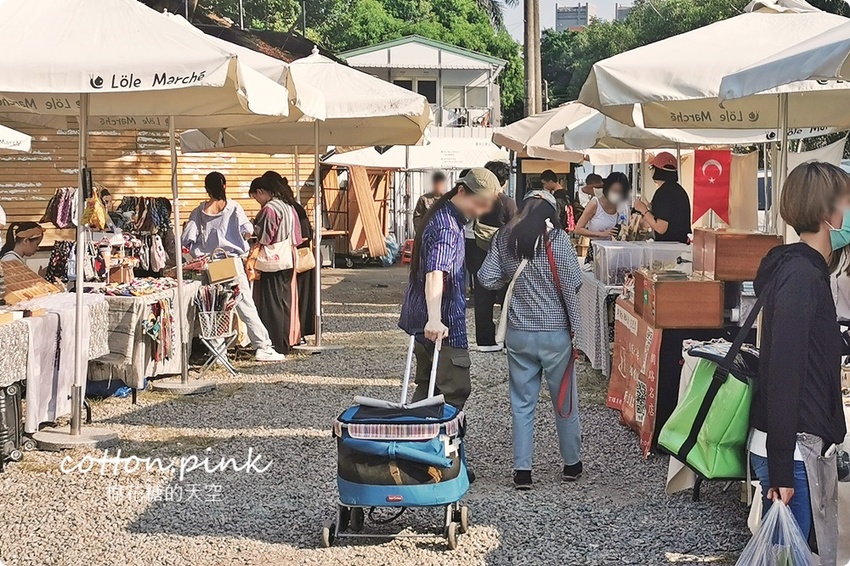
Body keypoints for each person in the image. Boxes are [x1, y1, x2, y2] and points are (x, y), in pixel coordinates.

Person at [750, 161, 848, 564]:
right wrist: (781, 470)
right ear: (828, 213)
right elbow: (784, 372)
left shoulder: (805, 270)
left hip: (797, 446)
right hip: (792, 451)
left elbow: (809, 349)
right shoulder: (801, 275)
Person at [478, 191, 583, 490]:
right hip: (555, 334)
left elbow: (486, 278)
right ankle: (571, 464)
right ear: (551, 212)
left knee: (522, 404)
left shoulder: (504, 237)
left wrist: (511, 279)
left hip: (519, 334)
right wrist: (576, 330)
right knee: (564, 400)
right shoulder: (557, 239)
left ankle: (522, 471)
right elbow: (574, 283)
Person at [398, 168, 500, 411]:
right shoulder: (447, 226)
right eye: (479, 203)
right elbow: (435, 272)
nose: (481, 211)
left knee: (428, 388)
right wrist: (435, 319)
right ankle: (436, 434)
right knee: (455, 390)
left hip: (422, 318)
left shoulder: (441, 215)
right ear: (461, 191)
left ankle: (416, 431)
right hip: (442, 324)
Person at [182, 171, 285, 363]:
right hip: (230, 262)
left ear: (206, 189)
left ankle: (217, 351)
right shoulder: (233, 207)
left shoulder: (198, 212)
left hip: (208, 264)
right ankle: (262, 346)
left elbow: (187, 238)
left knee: (213, 307)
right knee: (245, 304)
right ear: (224, 186)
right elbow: (248, 231)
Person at [469, 160, 518, 352]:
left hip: (479, 251)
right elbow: (515, 230)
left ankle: (485, 341)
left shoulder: (477, 200)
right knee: (507, 298)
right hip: (504, 256)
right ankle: (507, 341)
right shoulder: (507, 202)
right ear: (504, 181)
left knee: (482, 297)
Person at [262, 170, 315, 342]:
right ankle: (296, 334)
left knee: (291, 299)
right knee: (293, 299)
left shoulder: (283, 207)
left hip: (294, 256)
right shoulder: (291, 206)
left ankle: (294, 334)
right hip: (295, 255)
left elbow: (303, 235)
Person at [249, 176, 299, 355]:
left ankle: (273, 343)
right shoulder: (287, 206)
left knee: (271, 303)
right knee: (284, 302)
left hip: (272, 260)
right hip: (288, 257)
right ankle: (284, 342)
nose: (257, 201)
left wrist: (253, 228)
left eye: (255, 197)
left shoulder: (269, 209)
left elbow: (265, 237)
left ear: (260, 192)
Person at [633, 152, 691, 244]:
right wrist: (650, 207)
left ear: (657, 171)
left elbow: (661, 228)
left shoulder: (663, 193)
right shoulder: (679, 191)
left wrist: (643, 209)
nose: (651, 171)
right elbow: (671, 215)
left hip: (668, 246)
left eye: (651, 168)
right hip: (681, 244)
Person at [573, 172, 631, 240]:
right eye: (614, 190)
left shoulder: (623, 206)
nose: (616, 194)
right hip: (596, 245)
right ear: (607, 189)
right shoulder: (595, 203)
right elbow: (578, 229)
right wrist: (601, 234)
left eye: (620, 192)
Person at [412, 171, 448, 235]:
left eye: (441, 184)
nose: (439, 186)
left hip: (443, 233)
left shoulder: (447, 199)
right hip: (427, 233)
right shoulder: (424, 199)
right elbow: (417, 218)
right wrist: (421, 233)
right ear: (434, 184)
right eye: (437, 184)